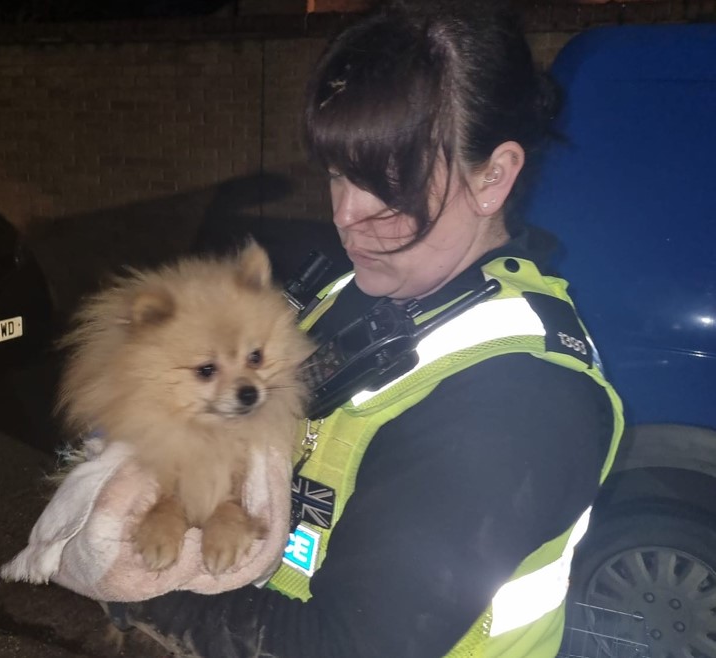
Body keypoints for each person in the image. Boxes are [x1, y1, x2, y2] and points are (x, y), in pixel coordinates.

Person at [105, 0, 624, 655]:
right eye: (336, 174)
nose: (348, 214)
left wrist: (132, 584)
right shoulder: (356, 289)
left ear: (492, 176)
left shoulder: (519, 401)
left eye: (390, 186)